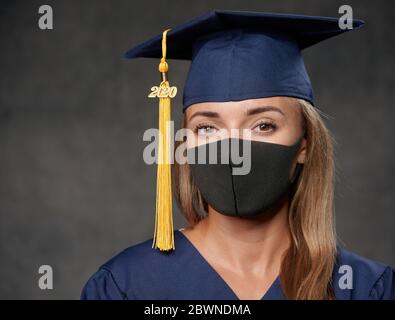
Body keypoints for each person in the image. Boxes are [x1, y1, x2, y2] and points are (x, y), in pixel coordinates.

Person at [81, 10, 395, 300]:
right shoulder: (126, 286)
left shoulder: (366, 289)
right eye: (207, 128)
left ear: (305, 145)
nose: (232, 149)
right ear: (185, 144)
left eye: (263, 125)